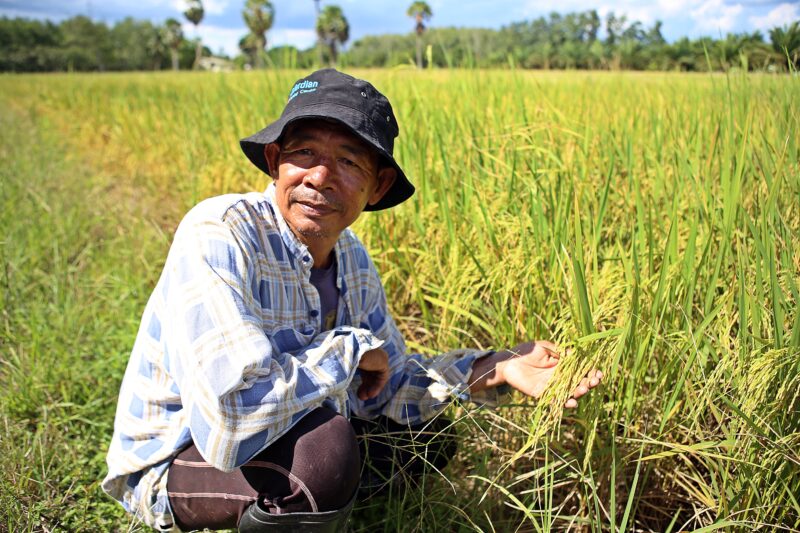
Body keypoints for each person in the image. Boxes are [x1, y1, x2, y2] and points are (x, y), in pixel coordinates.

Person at [102, 68, 603, 532]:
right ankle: (307, 497)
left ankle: (314, 509)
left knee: (427, 436)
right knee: (325, 452)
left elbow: (389, 384)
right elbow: (231, 422)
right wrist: (349, 350)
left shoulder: (352, 259)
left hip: (279, 430)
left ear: (377, 185)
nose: (320, 177)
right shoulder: (221, 232)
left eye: (347, 161)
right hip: (181, 455)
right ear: (275, 162)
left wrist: (496, 368)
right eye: (304, 153)